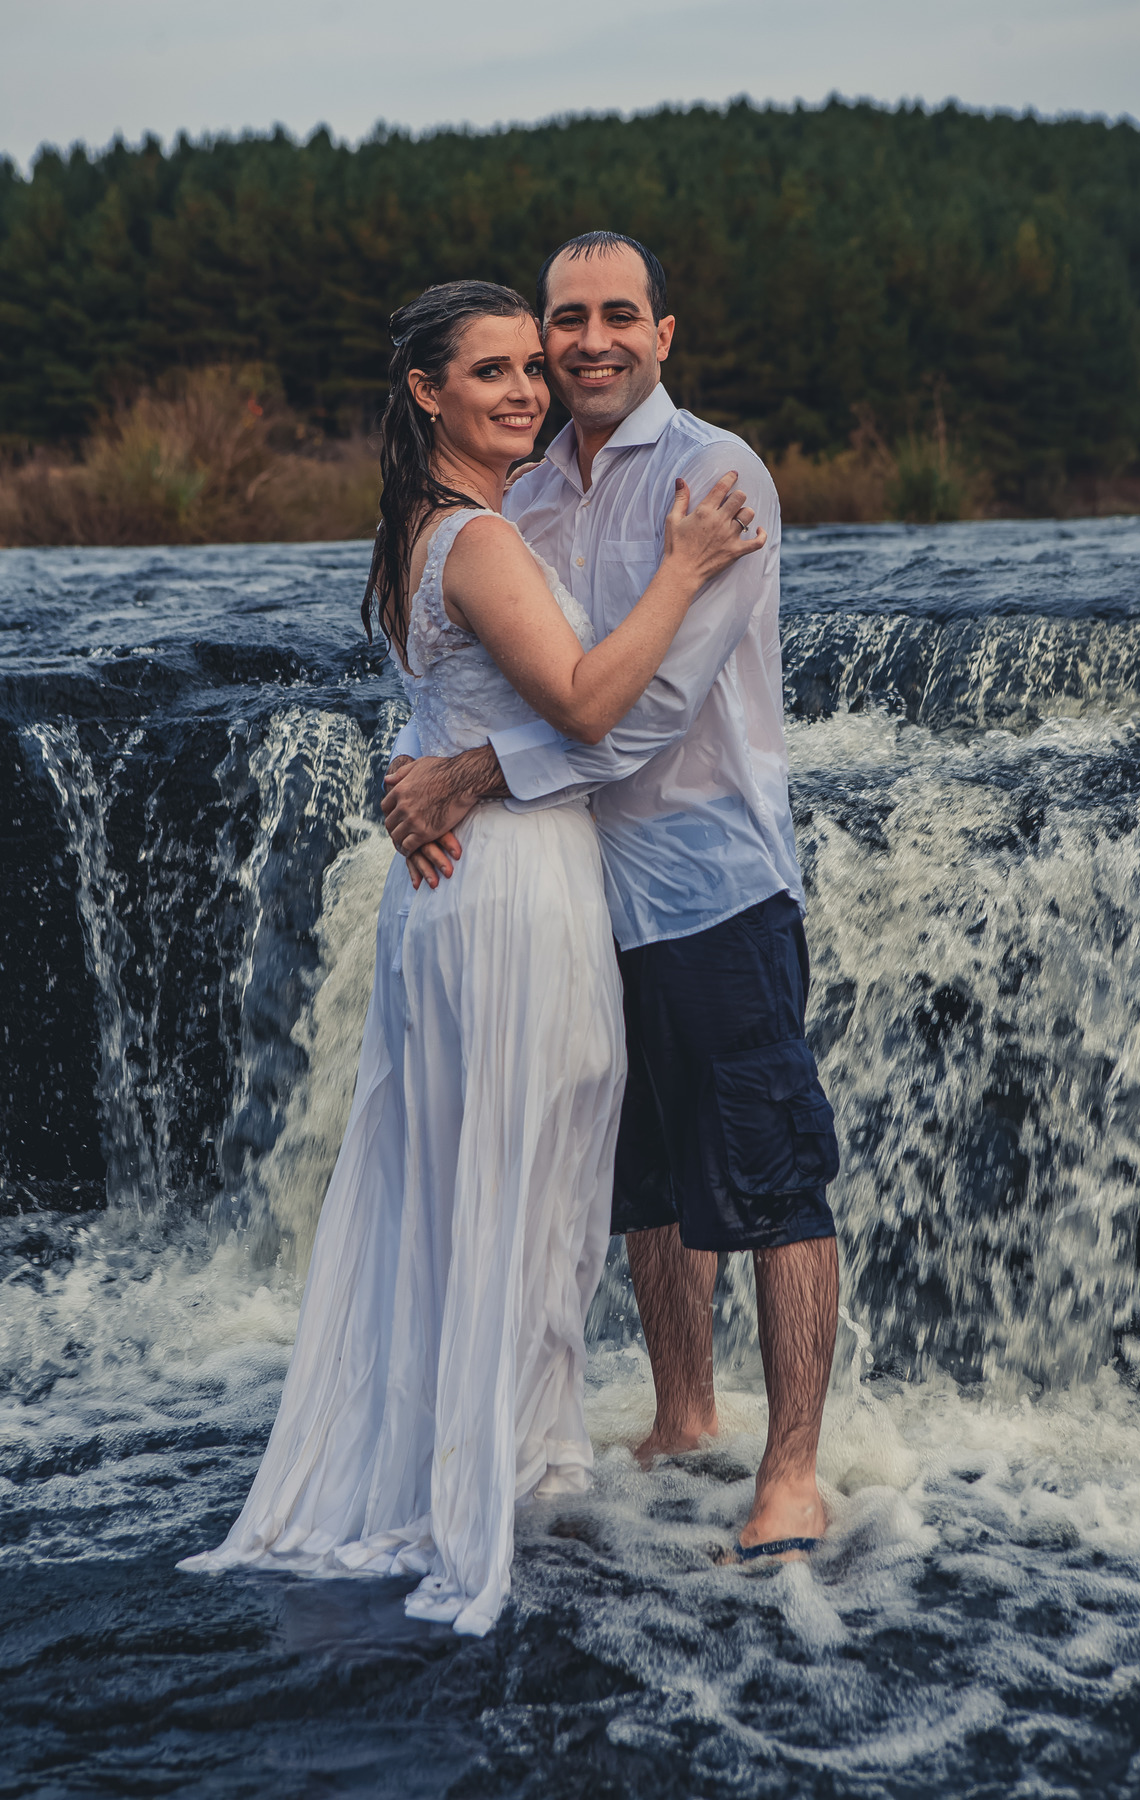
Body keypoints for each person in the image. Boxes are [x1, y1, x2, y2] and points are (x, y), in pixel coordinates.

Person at [178, 279, 763, 1634]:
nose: (524, 389)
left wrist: (422, 782)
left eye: (528, 368)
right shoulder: (482, 540)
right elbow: (588, 702)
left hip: (462, 886)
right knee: (519, 1172)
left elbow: (438, 712)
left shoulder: (416, 530)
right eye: (489, 370)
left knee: (476, 1177)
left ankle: (489, 1454)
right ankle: (485, 1475)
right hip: (509, 889)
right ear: (425, 392)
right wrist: (683, 569)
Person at [382, 233, 841, 1564]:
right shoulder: (520, 492)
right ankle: (684, 1413)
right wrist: (408, 778)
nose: (587, 343)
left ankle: (793, 1474)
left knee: (773, 1178)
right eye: (565, 320)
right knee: (638, 1180)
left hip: (709, 883)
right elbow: (463, 667)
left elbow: (645, 711)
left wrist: (470, 775)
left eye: (616, 316)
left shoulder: (717, 475)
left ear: (663, 333)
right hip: (576, 894)